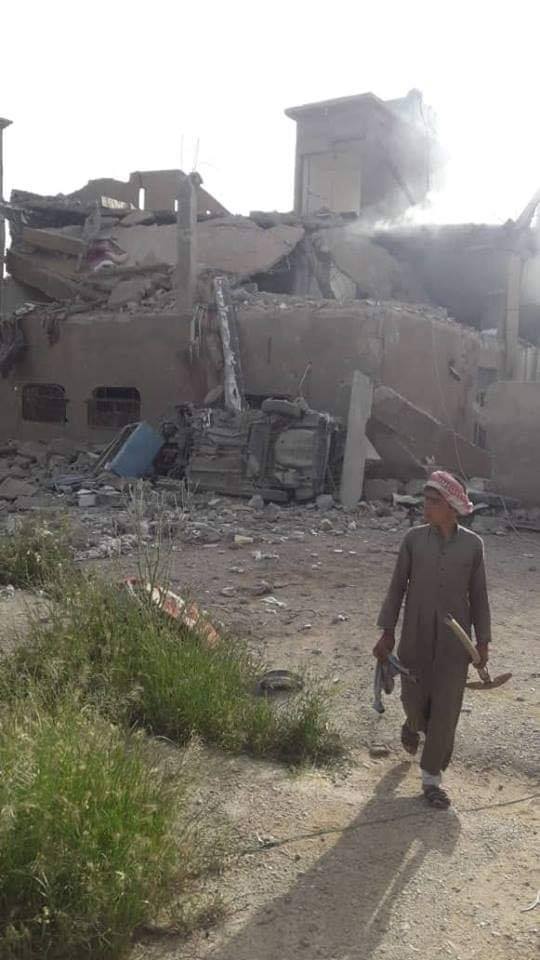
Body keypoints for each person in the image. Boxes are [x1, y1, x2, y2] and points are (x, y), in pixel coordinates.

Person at [373, 471, 491, 809]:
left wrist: (482, 641)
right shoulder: (413, 540)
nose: (425, 506)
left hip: (456, 642)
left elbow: (479, 596)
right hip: (416, 635)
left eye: (433, 501)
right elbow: (397, 587)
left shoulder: (473, 545)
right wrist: (387, 631)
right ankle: (412, 725)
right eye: (425, 500)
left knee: (446, 709)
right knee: (414, 700)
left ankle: (431, 779)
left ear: (452, 506)